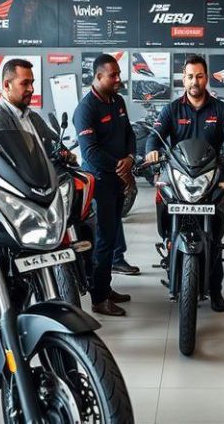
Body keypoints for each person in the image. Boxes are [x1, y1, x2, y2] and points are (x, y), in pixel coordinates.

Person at [144, 55, 224, 312]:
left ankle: (216, 290)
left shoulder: (219, 109)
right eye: (190, 76)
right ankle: (170, 244)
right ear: (183, 79)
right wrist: (152, 151)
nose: (194, 81)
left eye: (199, 76)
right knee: (165, 214)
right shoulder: (172, 109)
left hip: (210, 178)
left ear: (206, 78)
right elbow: (154, 136)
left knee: (213, 237)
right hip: (179, 177)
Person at [74, 55, 137, 317]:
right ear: (98, 77)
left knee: (111, 238)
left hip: (116, 180)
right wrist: (120, 168)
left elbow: (129, 133)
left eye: (118, 74)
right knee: (103, 240)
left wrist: (131, 158)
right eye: (113, 75)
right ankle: (99, 299)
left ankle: (106, 287)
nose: (118, 79)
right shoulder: (86, 109)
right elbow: (90, 153)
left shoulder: (117, 101)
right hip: (100, 182)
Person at [0, 58, 59, 152]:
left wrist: (64, 154)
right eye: (25, 83)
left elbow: (55, 143)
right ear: (7, 85)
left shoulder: (34, 117)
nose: (31, 89)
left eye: (32, 83)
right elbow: (7, 162)